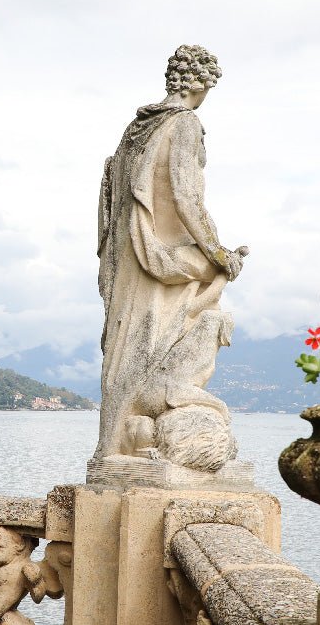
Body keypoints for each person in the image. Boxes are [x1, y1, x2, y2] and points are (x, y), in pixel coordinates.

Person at [93, 44, 247, 470]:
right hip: (158, 257)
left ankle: (111, 450)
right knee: (155, 338)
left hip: (126, 257)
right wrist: (219, 253)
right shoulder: (183, 124)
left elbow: (111, 202)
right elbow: (185, 197)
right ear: (197, 82)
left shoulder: (136, 130)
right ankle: (121, 447)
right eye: (208, 86)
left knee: (126, 348)